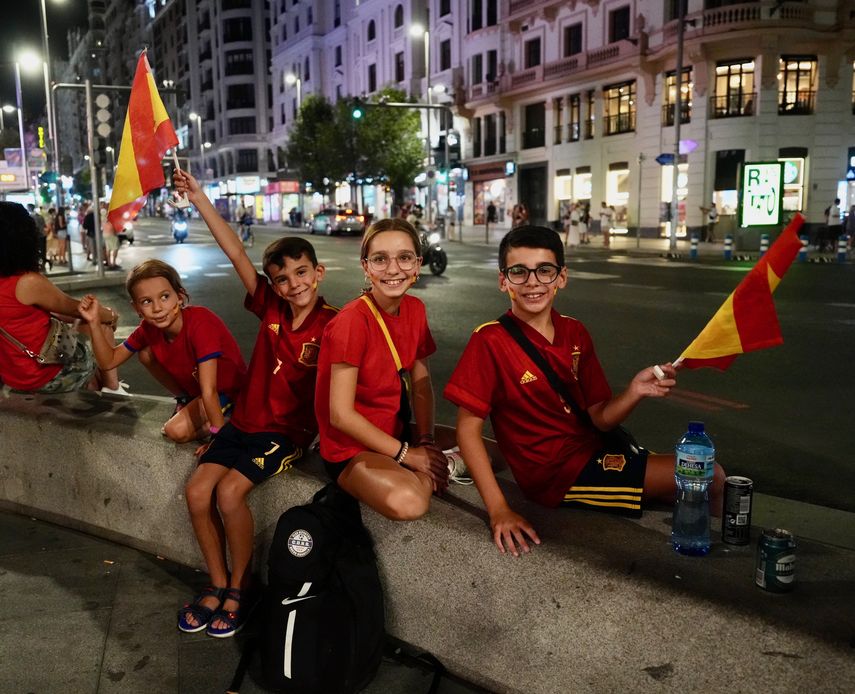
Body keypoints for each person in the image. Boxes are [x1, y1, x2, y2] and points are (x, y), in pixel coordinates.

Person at [444, 225, 726, 557]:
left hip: (593, 449)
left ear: (561, 277)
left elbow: (600, 418)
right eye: (519, 272)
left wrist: (635, 391)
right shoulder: (490, 340)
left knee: (698, 482)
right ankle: (709, 561)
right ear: (503, 280)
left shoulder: (574, 331)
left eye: (544, 270)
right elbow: (467, 429)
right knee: (711, 475)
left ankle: (714, 555)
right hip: (556, 475)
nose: (532, 282)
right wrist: (499, 510)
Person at [173, 169, 338, 638]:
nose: (292, 284)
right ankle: (217, 583)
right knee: (196, 491)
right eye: (281, 278)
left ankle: (241, 589)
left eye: (301, 272)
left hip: (284, 433)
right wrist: (200, 196)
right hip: (241, 424)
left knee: (228, 493)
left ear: (317, 272)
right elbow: (233, 250)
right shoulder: (268, 306)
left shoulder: (336, 324)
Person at [315, 218, 449, 522]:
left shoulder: (416, 309)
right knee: (409, 502)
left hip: (395, 430)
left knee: (492, 452)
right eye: (380, 259)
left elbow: (422, 383)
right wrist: (411, 456)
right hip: (351, 448)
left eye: (404, 257)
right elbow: (340, 415)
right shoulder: (351, 322)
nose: (392, 269)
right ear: (366, 266)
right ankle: (440, 473)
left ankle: (438, 465)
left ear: (417, 264)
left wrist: (426, 440)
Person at [79, 259, 246, 444]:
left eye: (165, 296)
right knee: (145, 353)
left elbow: (210, 391)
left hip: (228, 391)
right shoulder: (148, 329)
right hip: (200, 391)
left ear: (180, 296)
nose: (157, 308)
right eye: (147, 301)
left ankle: (228, 421)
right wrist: (94, 322)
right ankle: (186, 399)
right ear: (136, 308)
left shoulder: (201, 323)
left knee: (174, 431)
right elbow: (108, 361)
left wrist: (218, 438)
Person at [0, 201, 123, 395]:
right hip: (43, 374)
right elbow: (76, 309)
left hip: (12, 375)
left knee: (83, 325)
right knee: (101, 325)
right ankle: (113, 389)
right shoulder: (26, 282)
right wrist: (111, 315)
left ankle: (101, 385)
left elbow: (52, 312)